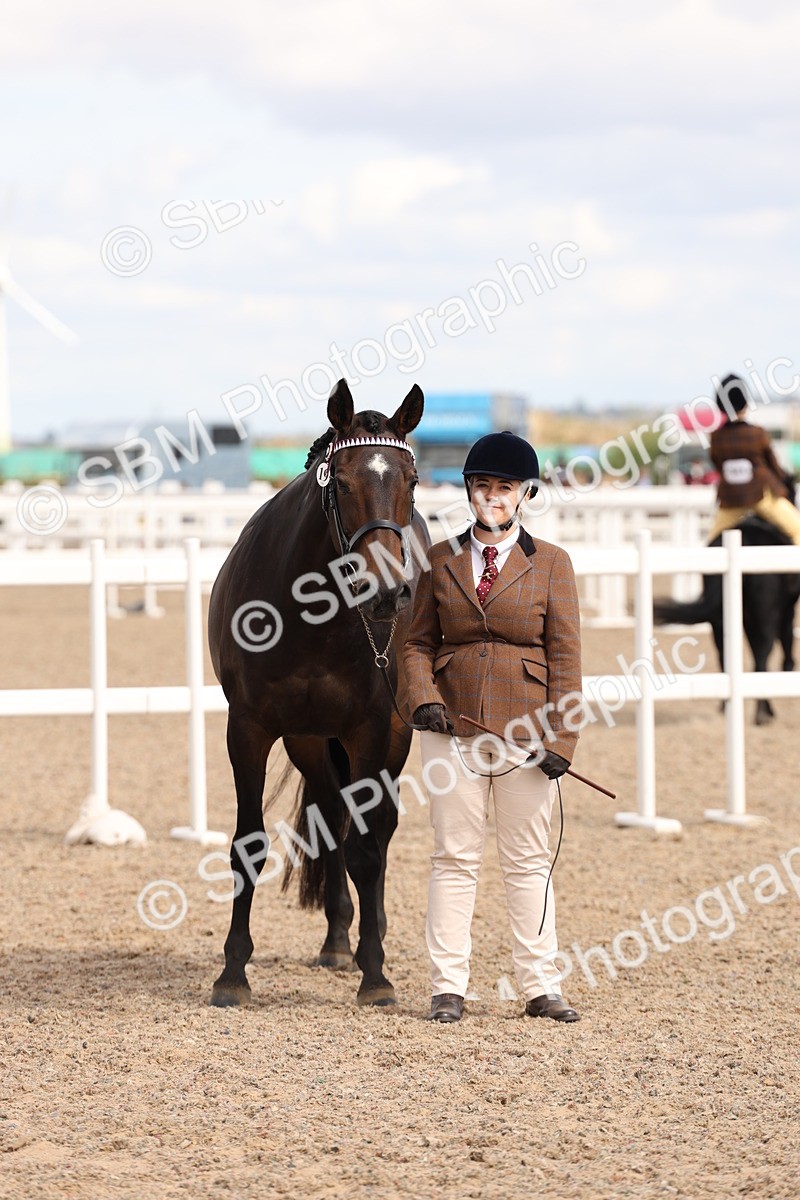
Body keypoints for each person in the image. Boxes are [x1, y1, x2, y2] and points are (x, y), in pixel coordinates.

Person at [404, 430, 582, 1024]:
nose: (491, 496)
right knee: (453, 856)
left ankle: (540, 985)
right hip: (450, 729)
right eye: (482, 485)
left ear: (524, 494)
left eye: (503, 487)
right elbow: (415, 645)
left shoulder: (553, 564)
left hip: (527, 736)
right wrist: (423, 698)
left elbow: (566, 659)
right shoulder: (438, 560)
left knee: (528, 859)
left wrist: (562, 739)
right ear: (469, 491)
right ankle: (447, 986)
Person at [707, 374, 800, 545]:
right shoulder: (757, 433)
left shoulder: (715, 437)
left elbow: (717, 464)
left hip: (731, 500)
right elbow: (773, 466)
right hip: (762, 497)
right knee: (797, 531)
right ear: (745, 403)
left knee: (711, 544)